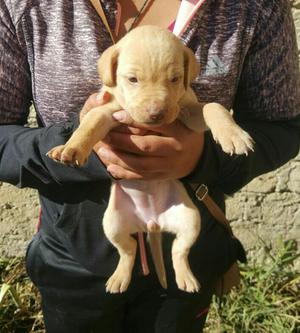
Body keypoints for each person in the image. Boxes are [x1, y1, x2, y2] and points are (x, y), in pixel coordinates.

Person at [0, 0, 299, 332]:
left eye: (174, 80)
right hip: (74, 258)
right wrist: (76, 147)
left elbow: (283, 129)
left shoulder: (256, 8)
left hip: (187, 260)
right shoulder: (22, 6)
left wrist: (205, 156)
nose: (157, 103)